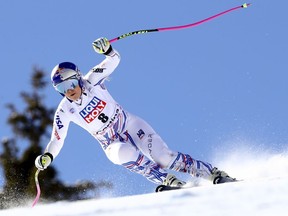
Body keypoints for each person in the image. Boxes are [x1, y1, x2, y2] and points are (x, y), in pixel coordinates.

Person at [35, 37, 236, 191]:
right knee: (123, 154)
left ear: (77, 78)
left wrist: (108, 50)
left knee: (164, 157)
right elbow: (57, 139)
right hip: (110, 143)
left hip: (129, 125)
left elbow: (114, 59)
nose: (69, 91)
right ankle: (166, 180)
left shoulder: (92, 81)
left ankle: (212, 173)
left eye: (70, 84)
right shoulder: (65, 110)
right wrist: (48, 156)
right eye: (61, 89)